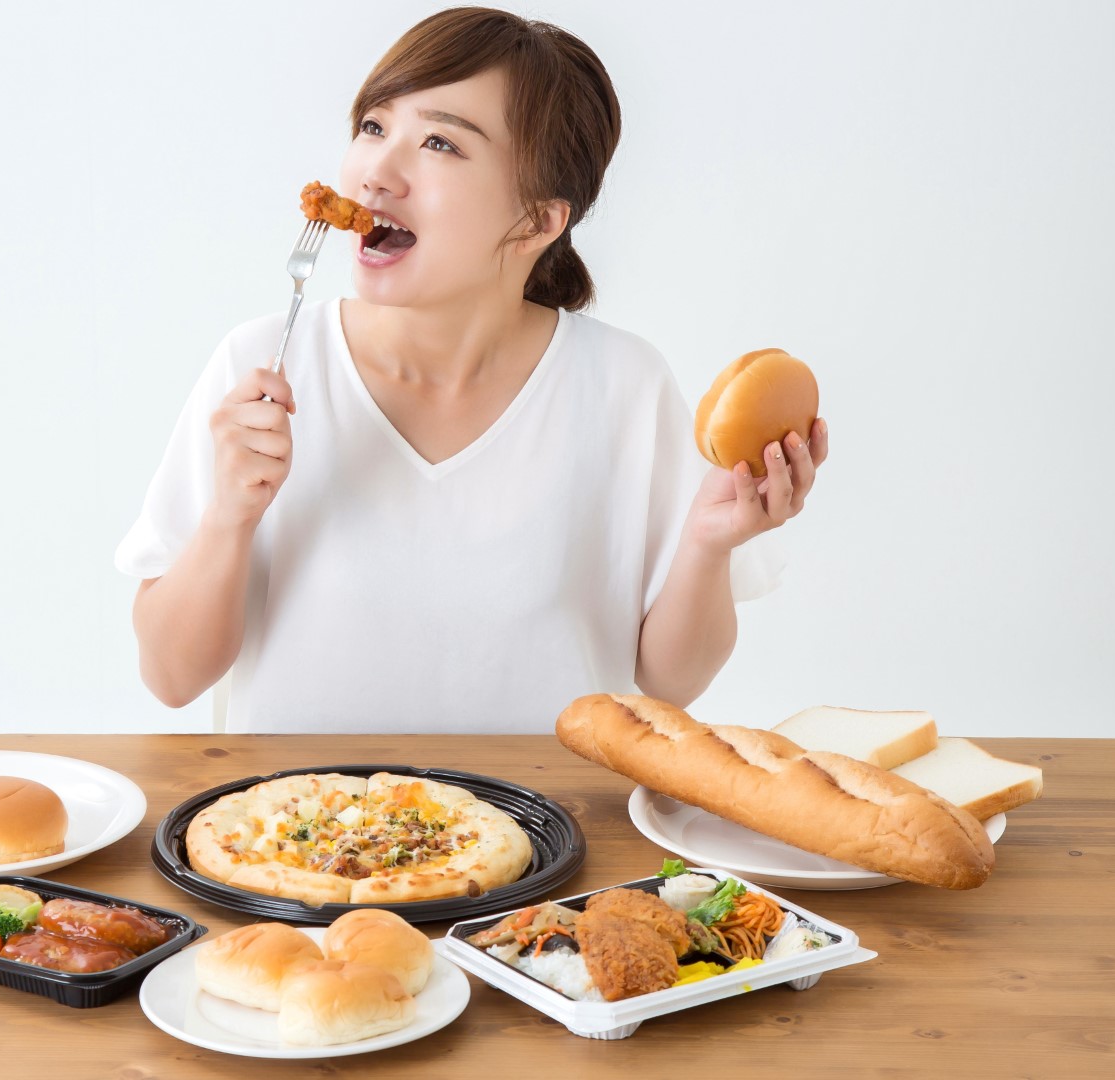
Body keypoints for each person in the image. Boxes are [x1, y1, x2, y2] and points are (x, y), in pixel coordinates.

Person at [115, 7, 829, 734]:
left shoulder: (623, 386)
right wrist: (229, 519)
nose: (377, 172)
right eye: (372, 126)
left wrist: (709, 544)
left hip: (543, 837)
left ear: (537, 222)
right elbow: (170, 678)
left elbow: (671, 684)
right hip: (286, 834)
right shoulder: (263, 366)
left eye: (437, 142)